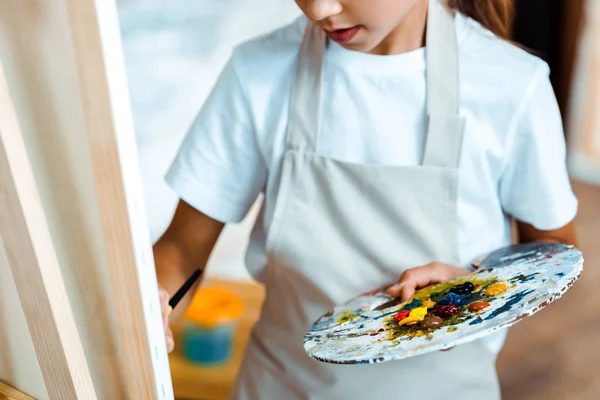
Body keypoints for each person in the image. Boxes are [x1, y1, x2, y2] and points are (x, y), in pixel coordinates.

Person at [154, 0, 578, 398]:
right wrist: (152, 305)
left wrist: (469, 292)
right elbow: (182, 247)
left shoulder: (511, 85)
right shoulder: (257, 72)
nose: (320, 9)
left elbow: (555, 253)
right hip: (282, 385)